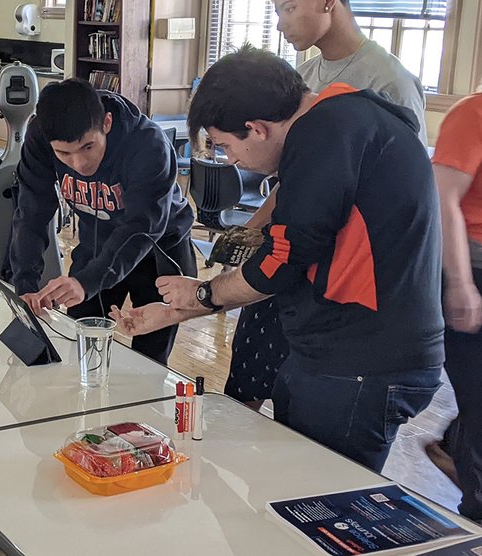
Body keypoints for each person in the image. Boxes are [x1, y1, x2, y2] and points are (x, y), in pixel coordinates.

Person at [113, 46, 443, 472]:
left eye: (226, 145)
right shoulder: (338, 122)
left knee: (319, 501)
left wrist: (202, 292)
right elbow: (288, 265)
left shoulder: (327, 132)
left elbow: (279, 261)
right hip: (331, 349)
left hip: (362, 361)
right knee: (286, 485)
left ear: (257, 128)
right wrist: (180, 309)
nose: (231, 159)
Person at [224, 0, 430, 409]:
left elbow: (408, 188)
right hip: (295, 258)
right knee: (251, 379)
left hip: (348, 282)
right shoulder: (304, 77)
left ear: (328, 4)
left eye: (288, 8)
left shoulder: (388, 80)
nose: (279, 23)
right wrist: (253, 233)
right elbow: (293, 182)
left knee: (319, 410)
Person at [9, 78, 196, 365]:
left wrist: (87, 281)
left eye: (88, 147)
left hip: (159, 245)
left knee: (148, 361)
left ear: (107, 123)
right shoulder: (39, 136)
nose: (79, 164)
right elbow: (31, 211)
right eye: (63, 154)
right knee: (79, 341)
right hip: (99, 240)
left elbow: (141, 228)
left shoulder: (148, 144)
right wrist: (26, 284)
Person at [427, 93, 482, 522]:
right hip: (474, 269)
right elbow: (443, 198)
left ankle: (453, 448)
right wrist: (460, 284)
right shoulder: (473, 113)